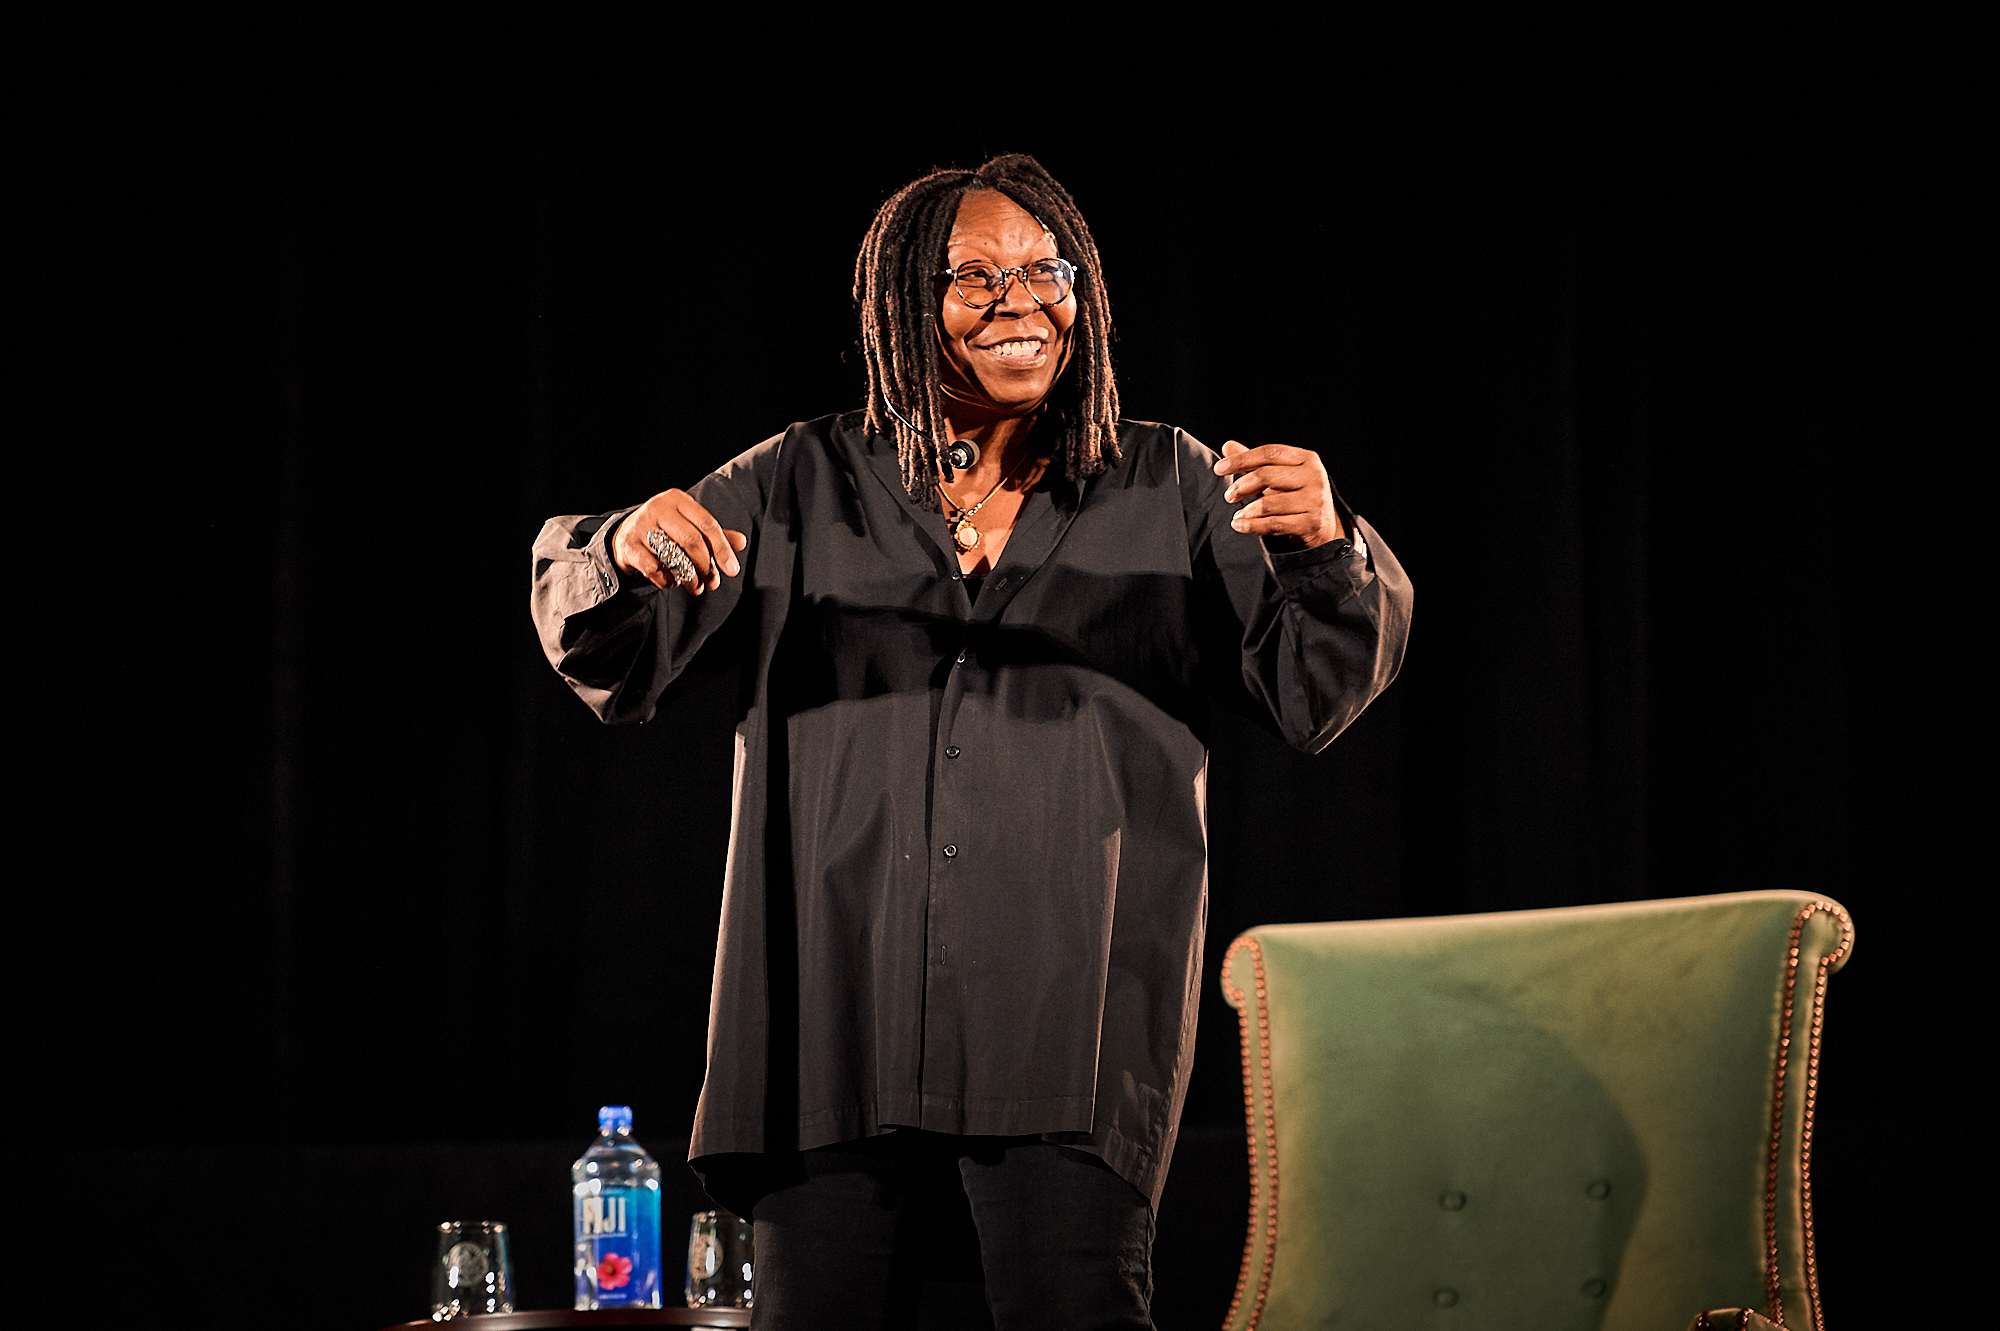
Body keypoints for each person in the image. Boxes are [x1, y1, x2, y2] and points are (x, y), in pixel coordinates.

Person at [530, 153, 1413, 1330]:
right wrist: (625, 547)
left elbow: (1318, 689)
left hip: (1066, 1036)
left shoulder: (1168, 480)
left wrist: (1323, 547)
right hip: (825, 1033)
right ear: (902, 303)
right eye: (975, 277)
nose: (1021, 302)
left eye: (1045, 271)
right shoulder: (800, 478)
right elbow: (608, 647)